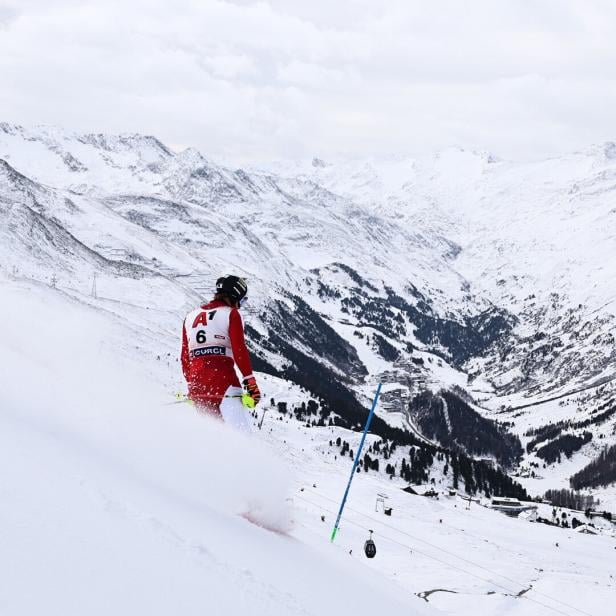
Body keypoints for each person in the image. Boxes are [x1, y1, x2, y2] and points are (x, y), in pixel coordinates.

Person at [181, 275, 261, 431]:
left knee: (212, 440)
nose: (240, 305)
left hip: (198, 388)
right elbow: (239, 349)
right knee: (242, 439)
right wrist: (250, 382)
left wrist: (192, 385)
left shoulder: (190, 317)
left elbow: (185, 358)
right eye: (242, 300)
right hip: (224, 384)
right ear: (235, 296)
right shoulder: (231, 314)